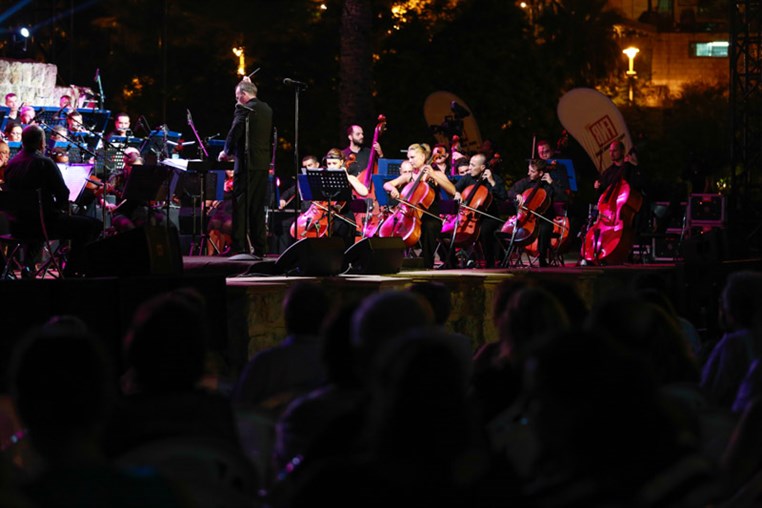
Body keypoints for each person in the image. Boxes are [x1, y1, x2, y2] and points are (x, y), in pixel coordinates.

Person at [4, 125, 101, 276]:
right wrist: (58, 210)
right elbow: (63, 194)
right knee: (92, 225)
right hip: (41, 225)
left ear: (22, 141)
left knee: (39, 217)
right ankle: (71, 273)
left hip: (17, 225)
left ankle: (28, 267)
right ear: (42, 142)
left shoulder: (11, 164)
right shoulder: (44, 162)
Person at [218, 77, 273, 258]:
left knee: (240, 205)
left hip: (246, 164)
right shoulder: (267, 109)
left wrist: (226, 152)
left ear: (243, 94)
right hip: (263, 164)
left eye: (237, 97)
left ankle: (238, 246)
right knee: (257, 206)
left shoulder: (244, 109)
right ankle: (260, 248)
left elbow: (235, 132)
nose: (236, 101)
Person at [382, 143, 456, 269]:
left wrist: (433, 175)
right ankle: (393, 262)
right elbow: (387, 184)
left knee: (428, 226)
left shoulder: (436, 174)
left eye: (412, 157)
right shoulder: (408, 176)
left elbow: (453, 190)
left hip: (431, 216)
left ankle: (427, 263)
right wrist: (392, 189)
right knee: (393, 226)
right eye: (409, 158)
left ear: (422, 156)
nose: (410, 161)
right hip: (410, 215)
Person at [450, 152, 508, 268]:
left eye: (472, 165)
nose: (469, 168)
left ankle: (489, 261)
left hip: (489, 217)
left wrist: (492, 182)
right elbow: (455, 189)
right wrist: (456, 193)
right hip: (469, 215)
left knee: (484, 231)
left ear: (482, 167)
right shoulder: (468, 178)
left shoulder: (495, 179)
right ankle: (453, 262)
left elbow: (503, 196)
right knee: (452, 229)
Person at [506, 158, 567, 267]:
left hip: (543, 218)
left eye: (532, 171)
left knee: (545, 229)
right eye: (529, 170)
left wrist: (551, 182)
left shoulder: (549, 185)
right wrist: (517, 195)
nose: (528, 173)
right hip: (526, 217)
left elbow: (563, 197)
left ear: (541, 173)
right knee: (513, 228)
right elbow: (510, 192)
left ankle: (542, 259)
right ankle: (509, 257)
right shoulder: (526, 182)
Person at [537, 138, 571, 216]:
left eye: (546, 151)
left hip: (555, 205)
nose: (543, 155)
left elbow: (563, 194)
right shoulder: (537, 167)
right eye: (540, 153)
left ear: (552, 151)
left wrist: (551, 181)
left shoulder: (559, 166)